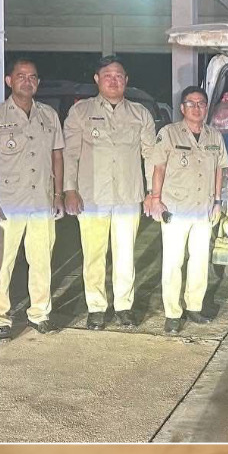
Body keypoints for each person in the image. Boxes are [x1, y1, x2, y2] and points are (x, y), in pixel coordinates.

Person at [62, 55, 156, 330]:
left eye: (118, 76)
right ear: (97, 79)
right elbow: (70, 154)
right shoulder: (80, 112)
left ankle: (124, 306)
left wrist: (152, 191)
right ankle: (96, 307)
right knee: (94, 255)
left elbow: (150, 154)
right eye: (107, 76)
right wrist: (69, 189)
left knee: (126, 255)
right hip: (92, 196)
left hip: (128, 194)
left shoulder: (140, 113)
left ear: (126, 80)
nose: (113, 81)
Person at [0, 58, 64, 341]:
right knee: (1, 263)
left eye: (32, 77)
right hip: (7, 203)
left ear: (38, 83)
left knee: (41, 261)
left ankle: (40, 313)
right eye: (21, 76)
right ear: (9, 81)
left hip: (41, 200)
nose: (27, 81)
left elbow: (57, 156)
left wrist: (58, 194)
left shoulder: (48, 115)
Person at [144, 86, 228, 333]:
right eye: (191, 104)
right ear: (182, 108)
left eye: (201, 103)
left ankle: (194, 306)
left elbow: (219, 169)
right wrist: (155, 198)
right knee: (173, 262)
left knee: (200, 261)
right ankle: (173, 313)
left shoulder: (214, 136)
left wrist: (217, 202)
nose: (196, 108)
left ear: (206, 108)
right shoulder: (169, 133)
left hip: (203, 208)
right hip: (176, 207)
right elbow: (158, 168)